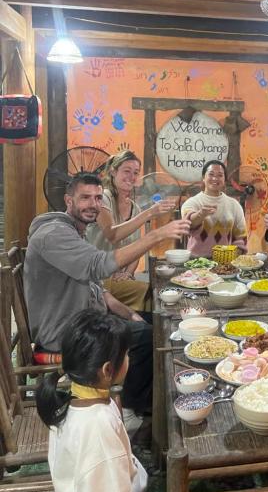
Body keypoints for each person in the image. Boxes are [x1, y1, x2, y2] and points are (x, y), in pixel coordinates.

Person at [25, 172, 190, 414]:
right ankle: (139, 410)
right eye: (85, 198)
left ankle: (150, 396)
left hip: (84, 318)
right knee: (147, 338)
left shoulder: (72, 230)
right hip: (65, 333)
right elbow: (98, 266)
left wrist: (126, 312)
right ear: (68, 200)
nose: (93, 204)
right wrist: (157, 235)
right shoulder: (53, 235)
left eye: (97, 198)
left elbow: (96, 285)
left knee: (157, 321)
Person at [37, 309, 162, 492]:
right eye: (126, 355)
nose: (129, 359)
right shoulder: (97, 427)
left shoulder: (71, 396)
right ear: (107, 370)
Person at [86, 150, 177, 311]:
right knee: (151, 294)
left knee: (157, 292)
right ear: (113, 172)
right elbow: (112, 234)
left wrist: (128, 273)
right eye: (126, 171)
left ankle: (145, 331)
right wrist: (149, 212)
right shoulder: (103, 198)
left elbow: (137, 247)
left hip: (119, 279)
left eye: (135, 173)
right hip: (97, 278)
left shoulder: (134, 208)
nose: (131, 176)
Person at [180, 160, 247, 255]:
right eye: (211, 174)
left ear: (224, 179)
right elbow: (189, 224)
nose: (215, 178)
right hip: (196, 262)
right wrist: (201, 214)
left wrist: (233, 255)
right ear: (203, 177)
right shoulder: (192, 202)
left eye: (220, 175)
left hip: (224, 263)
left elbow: (241, 236)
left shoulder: (234, 205)